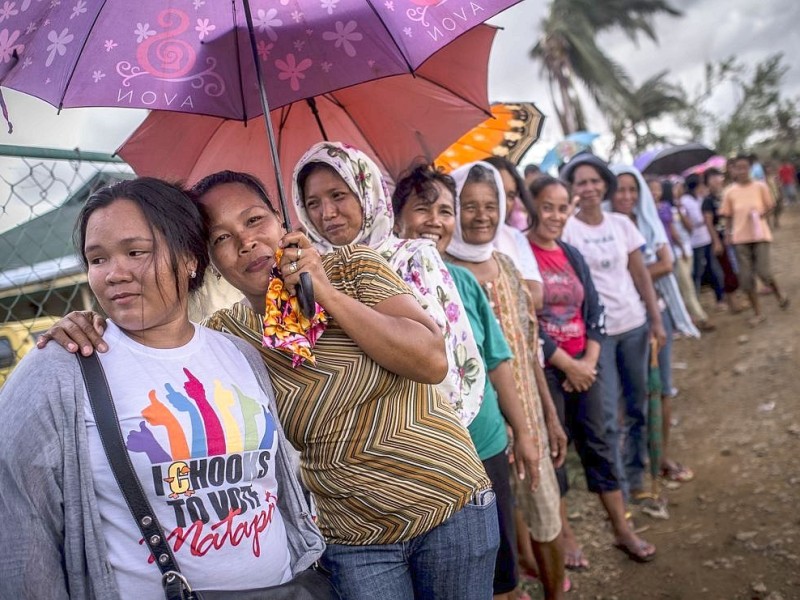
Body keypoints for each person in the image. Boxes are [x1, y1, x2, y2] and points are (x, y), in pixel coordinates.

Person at [39, 171, 499, 600]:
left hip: (450, 504)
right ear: (206, 261)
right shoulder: (228, 339)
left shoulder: (353, 269)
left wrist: (327, 294)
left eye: (255, 220)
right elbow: (157, 348)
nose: (246, 242)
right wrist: (88, 323)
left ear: (283, 223)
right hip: (355, 535)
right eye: (222, 238)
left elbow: (430, 360)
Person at [1, 178, 326, 598]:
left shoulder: (240, 353)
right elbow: (20, 537)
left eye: (136, 252)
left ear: (190, 257)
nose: (114, 274)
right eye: (97, 259)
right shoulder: (61, 369)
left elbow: (276, 488)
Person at [392, 164, 542, 600]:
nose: (435, 221)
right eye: (423, 209)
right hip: (431, 458)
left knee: (503, 575)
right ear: (398, 217)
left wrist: (525, 434)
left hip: (487, 441)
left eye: (444, 210)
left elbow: (498, 362)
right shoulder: (380, 286)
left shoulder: (463, 281)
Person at [292, 141, 486, 426]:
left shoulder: (412, 257)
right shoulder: (307, 272)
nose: (327, 213)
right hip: (352, 434)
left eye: (338, 195)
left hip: (424, 426)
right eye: (313, 203)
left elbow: (441, 353)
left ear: (366, 193)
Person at [445, 161, 567, 599]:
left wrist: (548, 416)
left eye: (491, 205)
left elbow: (528, 350)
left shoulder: (506, 266)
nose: (481, 216)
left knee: (545, 511)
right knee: (497, 531)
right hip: (481, 429)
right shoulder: (440, 276)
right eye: (469, 206)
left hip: (527, 414)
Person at [529, 174, 658, 566]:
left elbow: (595, 312)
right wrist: (566, 363)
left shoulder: (571, 253)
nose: (555, 215)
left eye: (562, 207)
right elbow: (527, 319)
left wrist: (588, 361)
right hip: (549, 369)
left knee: (599, 441)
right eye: (547, 206)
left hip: (586, 363)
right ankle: (566, 538)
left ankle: (622, 529)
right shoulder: (521, 254)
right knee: (557, 450)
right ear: (533, 206)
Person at [559, 153, 665, 519]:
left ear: (604, 184)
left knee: (637, 406)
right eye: (580, 183)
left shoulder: (622, 224)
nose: (588, 189)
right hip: (597, 337)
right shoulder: (568, 230)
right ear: (571, 189)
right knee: (606, 417)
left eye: (593, 181)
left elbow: (641, 276)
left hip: (634, 324)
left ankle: (637, 478)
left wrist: (656, 321)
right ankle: (616, 484)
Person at [611, 165, 698, 489]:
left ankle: (661, 457)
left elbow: (667, 262)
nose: (627, 196)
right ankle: (635, 465)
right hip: (623, 321)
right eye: (619, 189)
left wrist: (630, 273)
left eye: (632, 189)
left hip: (657, 313)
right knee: (631, 396)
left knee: (662, 388)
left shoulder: (647, 222)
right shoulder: (603, 227)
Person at [720, 155, 790, 325]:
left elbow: (770, 207)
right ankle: (758, 312)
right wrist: (728, 234)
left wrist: (761, 216)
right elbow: (728, 215)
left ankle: (779, 293)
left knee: (764, 272)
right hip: (740, 239)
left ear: (750, 169)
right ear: (733, 170)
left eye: (745, 167)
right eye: (738, 168)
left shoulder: (760, 187)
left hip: (760, 236)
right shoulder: (729, 192)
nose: (742, 171)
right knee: (745, 279)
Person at [485, 155, 544, 310]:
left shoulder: (515, 237)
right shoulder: (452, 242)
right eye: (495, 190)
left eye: (510, 195)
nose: (503, 201)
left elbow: (536, 296)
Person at [656, 178, 714, 331]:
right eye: (675, 188)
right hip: (677, 252)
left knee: (685, 285)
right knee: (686, 287)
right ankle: (700, 318)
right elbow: (672, 233)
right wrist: (681, 247)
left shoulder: (677, 207)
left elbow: (689, 228)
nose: (679, 189)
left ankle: (689, 317)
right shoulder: (663, 209)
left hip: (685, 250)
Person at [682, 174, 726, 310]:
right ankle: (695, 303)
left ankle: (720, 299)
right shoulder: (685, 201)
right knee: (697, 273)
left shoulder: (701, 198)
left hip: (706, 238)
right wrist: (706, 218)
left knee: (715, 270)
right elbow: (695, 220)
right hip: (695, 243)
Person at [702, 168, 741, 312]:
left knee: (737, 268)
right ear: (707, 183)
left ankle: (737, 299)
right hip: (720, 239)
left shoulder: (726, 196)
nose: (716, 180)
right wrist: (716, 242)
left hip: (734, 236)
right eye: (712, 179)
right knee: (727, 270)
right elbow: (708, 222)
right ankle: (733, 303)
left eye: (717, 177)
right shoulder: (707, 201)